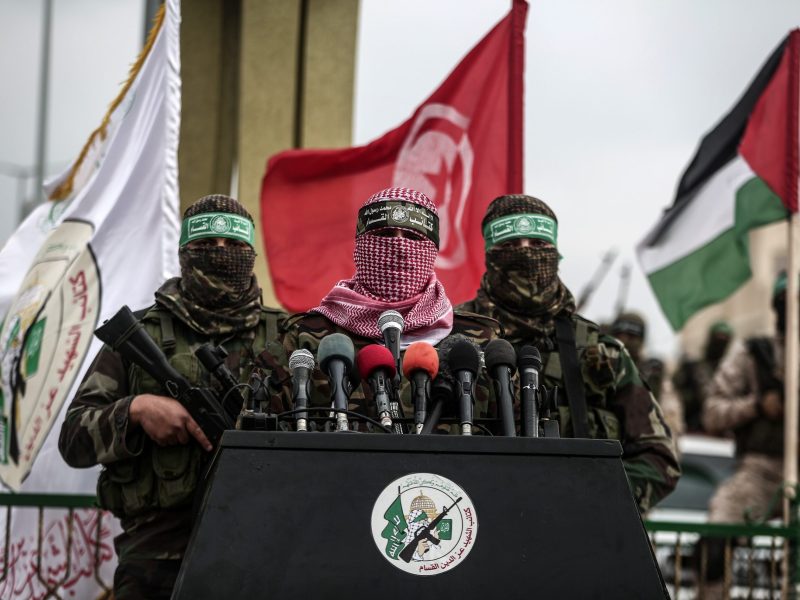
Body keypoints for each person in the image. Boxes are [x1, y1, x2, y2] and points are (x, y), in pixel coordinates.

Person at [58, 195, 287, 599]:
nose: (220, 255)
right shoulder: (138, 338)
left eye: (233, 246)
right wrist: (136, 410)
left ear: (250, 253)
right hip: (157, 560)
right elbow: (74, 439)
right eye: (206, 245)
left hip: (262, 552)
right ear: (184, 253)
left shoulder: (287, 338)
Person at [458, 194, 680, 513]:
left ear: (555, 253)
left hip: (578, 530)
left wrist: (592, 500)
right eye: (510, 245)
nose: (525, 253)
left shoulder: (599, 351)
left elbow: (658, 457)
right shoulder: (454, 339)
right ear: (491, 255)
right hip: (474, 522)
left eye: (537, 243)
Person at [281, 187, 500, 427]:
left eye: (413, 237)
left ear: (432, 250)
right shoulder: (309, 337)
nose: (399, 247)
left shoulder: (476, 342)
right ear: (360, 246)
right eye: (384, 234)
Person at [698, 274, 787, 591]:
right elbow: (713, 413)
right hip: (759, 470)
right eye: (786, 302)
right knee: (716, 538)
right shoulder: (753, 352)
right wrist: (758, 406)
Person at [611, 311, 685, 437]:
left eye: (631, 336)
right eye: (619, 335)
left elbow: (671, 424)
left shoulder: (654, 375)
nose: (624, 341)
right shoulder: (600, 369)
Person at [672, 320, 734, 433]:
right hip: (691, 431)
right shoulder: (691, 368)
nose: (720, 344)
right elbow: (674, 396)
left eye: (724, 340)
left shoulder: (731, 373)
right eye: (717, 338)